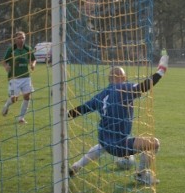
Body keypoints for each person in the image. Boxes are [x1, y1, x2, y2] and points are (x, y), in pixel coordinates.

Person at [68, 53, 169, 185]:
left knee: (103, 145)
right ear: (123, 78)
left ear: (110, 80)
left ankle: (76, 166)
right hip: (119, 146)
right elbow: (143, 86)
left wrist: (64, 115)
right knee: (153, 143)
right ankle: (141, 174)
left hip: (104, 140)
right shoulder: (124, 88)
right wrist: (161, 71)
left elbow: (82, 109)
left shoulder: (101, 95)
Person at [1, 31, 36, 124]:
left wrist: (33, 64)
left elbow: (33, 59)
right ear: (15, 39)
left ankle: (21, 118)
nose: (22, 40)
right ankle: (6, 105)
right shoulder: (11, 49)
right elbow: (4, 61)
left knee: (27, 97)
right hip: (14, 78)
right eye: (19, 38)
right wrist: (6, 66)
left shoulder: (28, 48)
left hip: (26, 77)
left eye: (23, 38)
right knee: (14, 99)